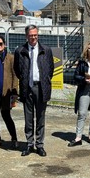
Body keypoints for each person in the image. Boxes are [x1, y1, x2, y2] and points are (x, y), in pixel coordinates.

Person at [14, 24, 54, 157]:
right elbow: (17, 69)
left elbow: (50, 69)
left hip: (41, 87)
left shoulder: (46, 50)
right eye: (31, 35)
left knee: (41, 118)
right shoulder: (20, 51)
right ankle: (29, 144)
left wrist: (45, 80)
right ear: (26, 36)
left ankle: (40, 145)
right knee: (28, 119)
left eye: (35, 35)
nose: (33, 37)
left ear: (38, 35)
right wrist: (25, 80)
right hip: (27, 88)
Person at [0, 35, 19, 149]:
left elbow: (15, 75)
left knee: (6, 116)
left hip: (6, 93)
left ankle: (14, 138)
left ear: (4, 44)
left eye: (0, 43)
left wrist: (15, 93)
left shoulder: (10, 58)